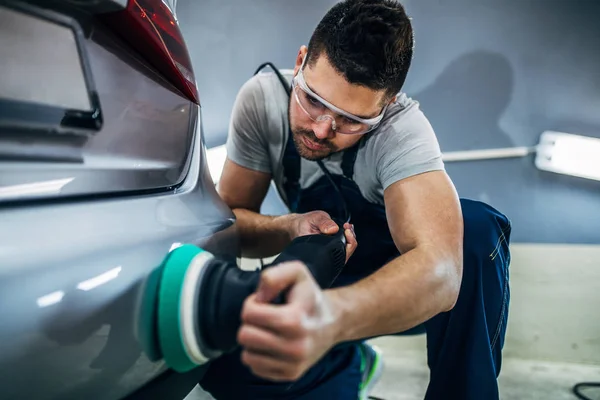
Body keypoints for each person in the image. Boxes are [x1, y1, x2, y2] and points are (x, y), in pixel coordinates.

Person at [199, 0, 512, 399]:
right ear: (300, 62)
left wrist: (331, 319)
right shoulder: (262, 100)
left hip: (399, 286)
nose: (322, 129)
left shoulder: (404, 132)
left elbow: (443, 273)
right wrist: (288, 227)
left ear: (387, 106)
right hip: (325, 270)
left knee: (476, 231)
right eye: (312, 100)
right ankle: (347, 364)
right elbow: (228, 228)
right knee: (228, 366)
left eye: (350, 120)